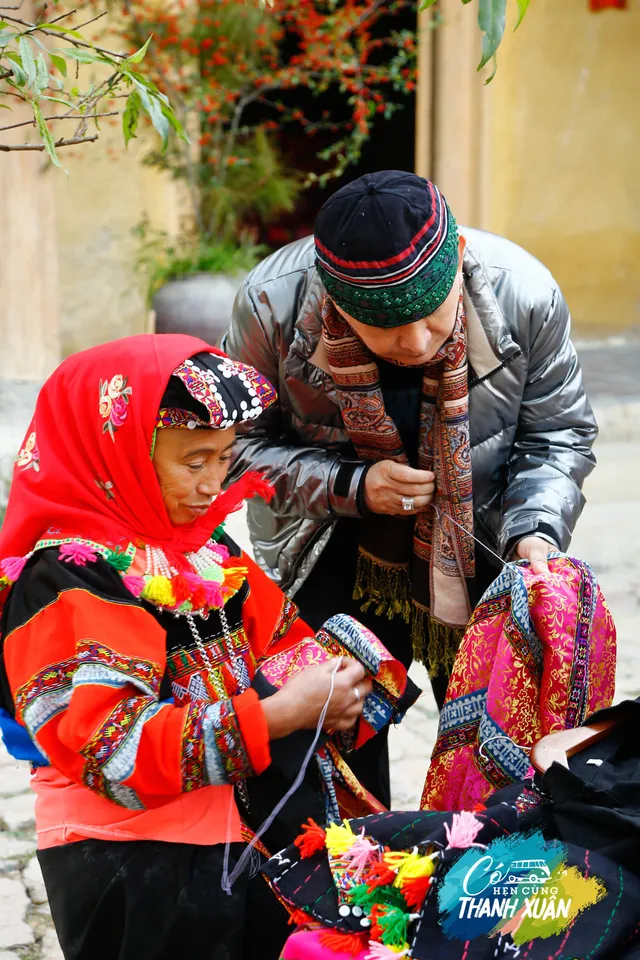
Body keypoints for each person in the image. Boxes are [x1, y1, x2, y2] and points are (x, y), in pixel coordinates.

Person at [0, 335, 416, 960]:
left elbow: (280, 638)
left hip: (246, 837)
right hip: (137, 864)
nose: (212, 483)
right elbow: (115, 749)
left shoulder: (202, 548)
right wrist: (280, 714)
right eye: (192, 463)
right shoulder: (65, 576)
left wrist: (339, 677)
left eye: (223, 458)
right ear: (114, 454)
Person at [223, 170, 598, 806]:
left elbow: (558, 435)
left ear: (456, 266)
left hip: (483, 547)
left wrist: (535, 530)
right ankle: (354, 887)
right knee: (329, 756)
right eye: (388, 332)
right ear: (338, 305)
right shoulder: (273, 304)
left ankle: (472, 884)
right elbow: (231, 451)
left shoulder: (523, 292)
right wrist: (353, 484)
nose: (418, 343)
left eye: (433, 315)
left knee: (498, 757)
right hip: (329, 550)